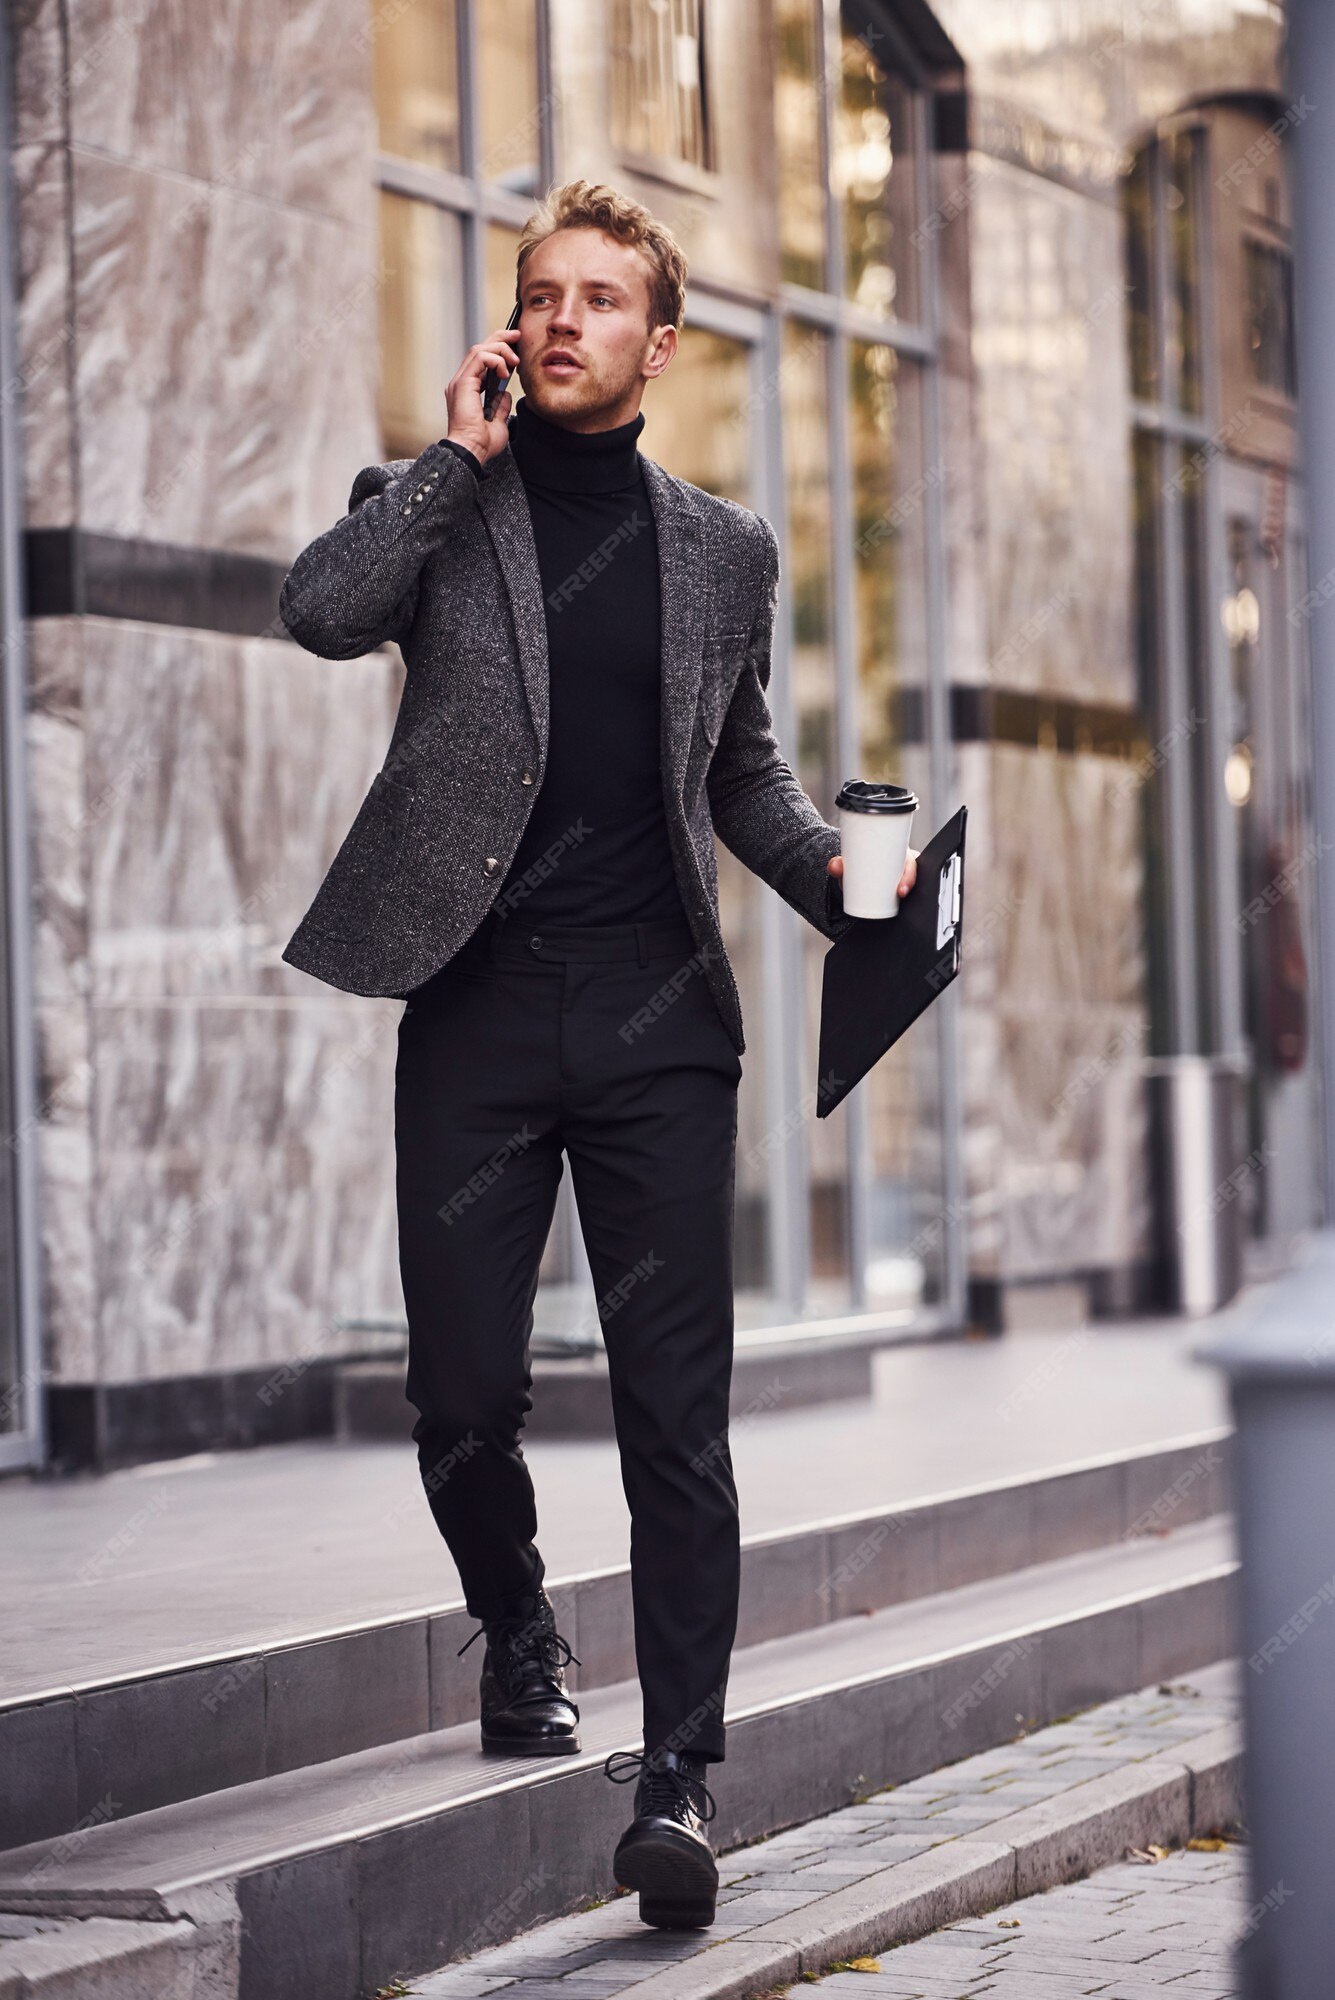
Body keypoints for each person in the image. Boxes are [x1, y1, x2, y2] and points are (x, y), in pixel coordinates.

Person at [277, 179, 916, 1931]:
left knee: (672, 1411)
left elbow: (738, 772)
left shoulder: (721, 550)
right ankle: (523, 1623)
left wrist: (861, 897)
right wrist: (445, 462)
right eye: (539, 294)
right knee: (466, 1397)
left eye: (599, 298)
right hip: (477, 1010)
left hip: (654, 1023)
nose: (563, 320)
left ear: (660, 337)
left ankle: (684, 1772)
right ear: (512, 327)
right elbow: (321, 613)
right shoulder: (438, 506)